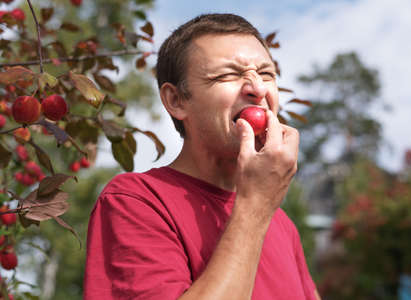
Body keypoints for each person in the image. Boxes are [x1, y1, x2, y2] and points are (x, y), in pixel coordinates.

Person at [84, 13, 320, 300]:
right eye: (227, 75)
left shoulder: (282, 224)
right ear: (176, 100)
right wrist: (255, 205)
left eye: (267, 74)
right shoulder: (135, 201)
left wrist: (260, 207)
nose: (257, 89)